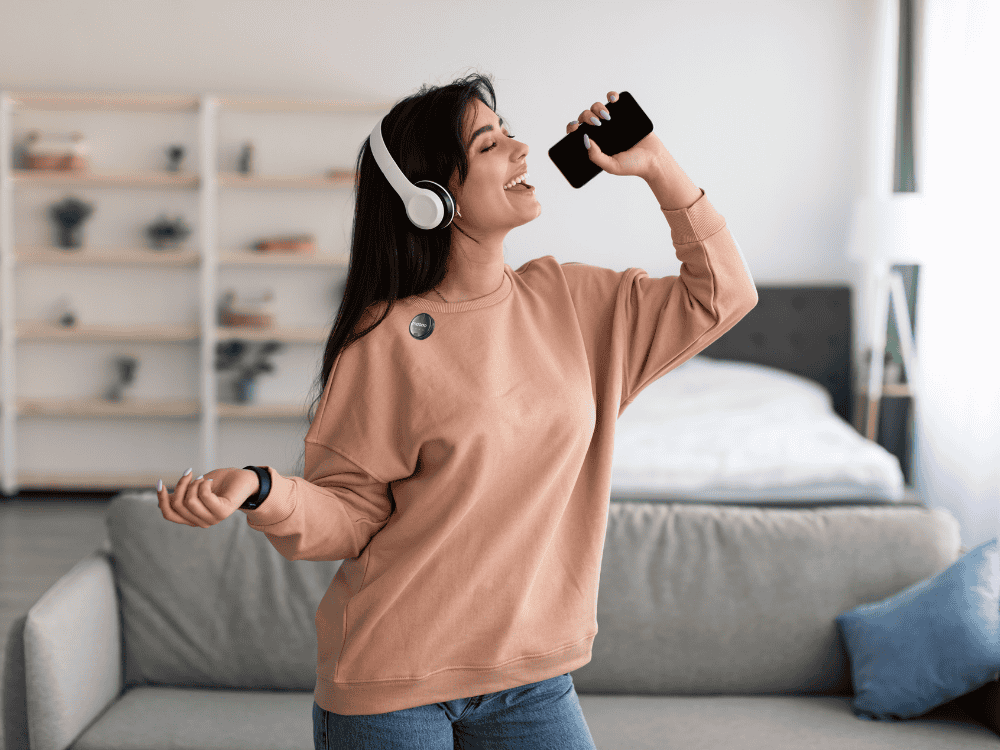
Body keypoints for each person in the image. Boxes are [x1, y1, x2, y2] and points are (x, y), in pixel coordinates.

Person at [157, 72, 758, 749]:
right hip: (392, 682)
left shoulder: (574, 304)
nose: (522, 149)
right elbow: (352, 513)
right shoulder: (385, 338)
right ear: (429, 199)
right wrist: (262, 489)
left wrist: (656, 166)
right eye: (489, 143)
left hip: (534, 680)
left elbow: (723, 296)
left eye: (506, 133)